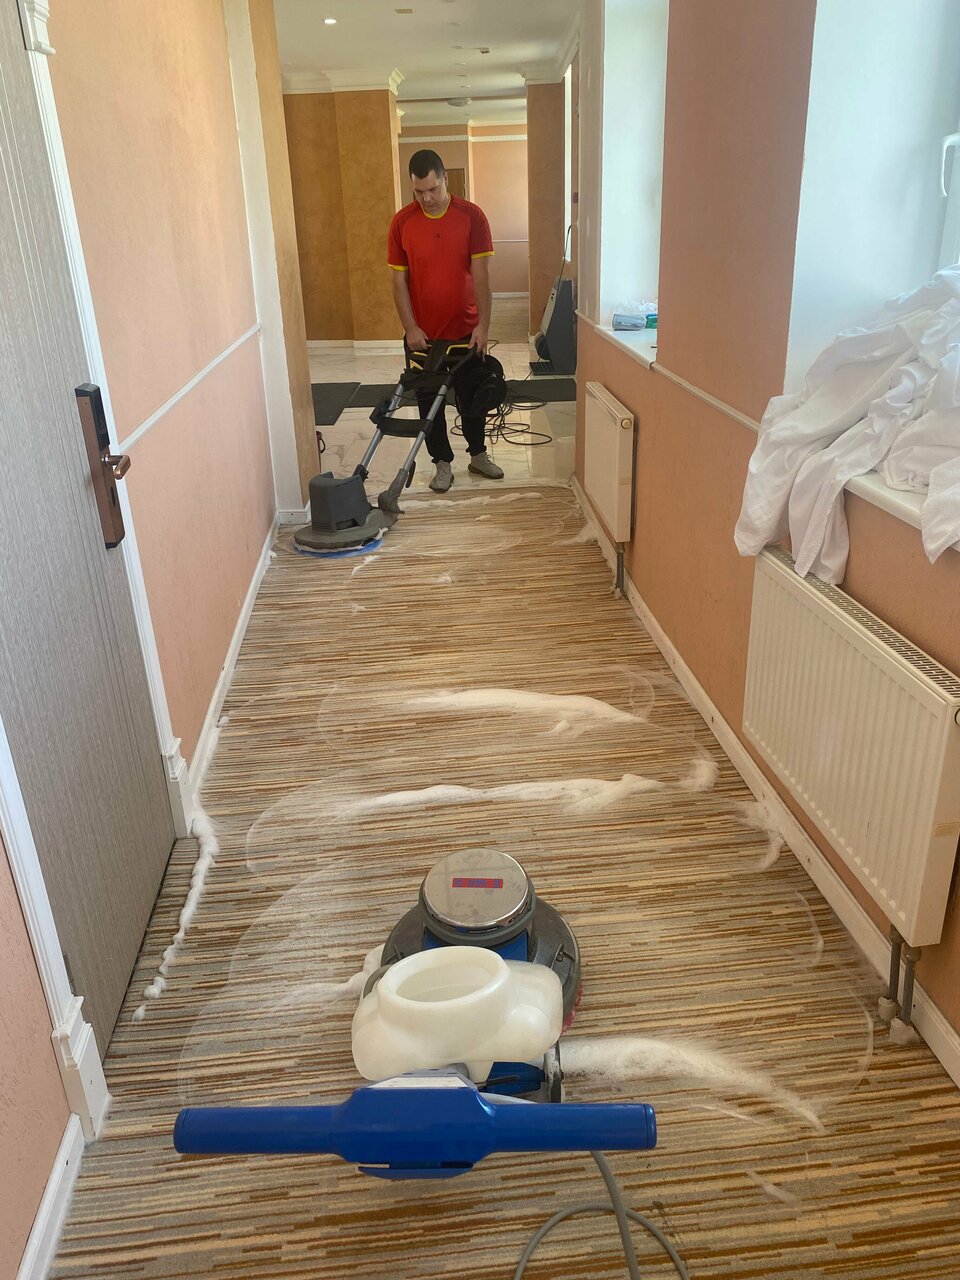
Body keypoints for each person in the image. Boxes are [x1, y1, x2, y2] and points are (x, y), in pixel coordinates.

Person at [388, 149, 505, 492]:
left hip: (466, 330)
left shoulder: (471, 217)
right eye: (418, 192)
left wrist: (483, 326)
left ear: (445, 179)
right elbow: (397, 281)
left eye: (432, 189)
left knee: (473, 396)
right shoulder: (402, 222)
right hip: (424, 336)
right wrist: (410, 327)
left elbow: (482, 276)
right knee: (430, 402)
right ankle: (441, 463)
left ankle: (478, 454)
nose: (426, 198)